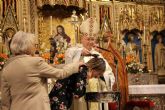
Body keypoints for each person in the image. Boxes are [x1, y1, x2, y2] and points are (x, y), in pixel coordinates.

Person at [1, 31, 82, 110]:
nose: (35, 47)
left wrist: (65, 65)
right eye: (34, 45)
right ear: (27, 46)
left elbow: (5, 101)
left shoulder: (7, 68)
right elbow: (61, 74)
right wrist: (76, 65)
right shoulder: (35, 62)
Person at [65, 17, 115, 110]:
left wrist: (100, 76)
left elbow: (109, 74)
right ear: (82, 38)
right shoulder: (75, 50)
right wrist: (80, 52)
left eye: (93, 39)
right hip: (80, 93)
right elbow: (67, 57)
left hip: (96, 92)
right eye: (88, 39)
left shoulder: (98, 55)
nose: (91, 42)